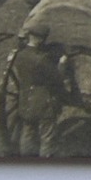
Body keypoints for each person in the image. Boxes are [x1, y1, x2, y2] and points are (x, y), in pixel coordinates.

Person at [12, 29, 68, 158]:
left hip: (26, 102)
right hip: (43, 105)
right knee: (47, 138)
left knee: (28, 133)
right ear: (41, 40)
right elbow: (58, 78)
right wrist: (62, 64)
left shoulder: (20, 55)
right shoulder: (42, 60)